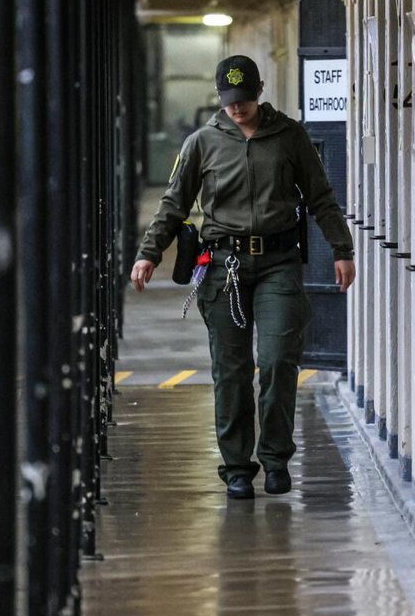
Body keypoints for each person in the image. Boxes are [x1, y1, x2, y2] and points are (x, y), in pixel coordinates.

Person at [131, 55, 356, 500]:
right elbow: (174, 204)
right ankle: (236, 466)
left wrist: (342, 248)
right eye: (230, 101)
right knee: (231, 372)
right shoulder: (202, 143)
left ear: (260, 90)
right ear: (219, 98)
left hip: (278, 264)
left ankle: (275, 459)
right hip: (224, 268)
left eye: (246, 99)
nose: (238, 108)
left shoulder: (290, 137)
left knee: (276, 361)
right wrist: (148, 253)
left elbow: (321, 198)